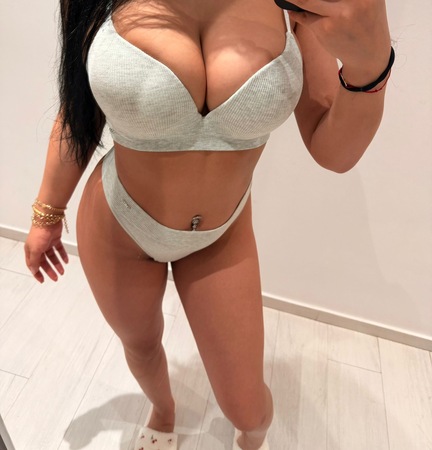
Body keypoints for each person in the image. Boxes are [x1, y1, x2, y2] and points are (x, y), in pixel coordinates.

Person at [24, 0, 393, 449]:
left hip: (222, 236)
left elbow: (334, 153)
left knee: (248, 410)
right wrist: (46, 215)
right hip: (119, 223)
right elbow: (76, 112)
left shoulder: (297, 7)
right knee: (141, 345)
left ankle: (251, 440)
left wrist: (371, 66)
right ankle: (163, 411)